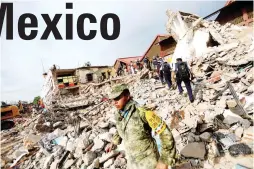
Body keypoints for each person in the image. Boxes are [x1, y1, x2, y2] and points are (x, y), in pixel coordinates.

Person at [106, 84, 176, 169]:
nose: (114, 102)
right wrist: (114, 142)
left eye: (117, 98)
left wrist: (164, 161)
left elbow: (165, 134)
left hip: (148, 161)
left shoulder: (142, 112)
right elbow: (121, 127)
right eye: (113, 99)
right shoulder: (119, 114)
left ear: (127, 96)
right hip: (132, 162)